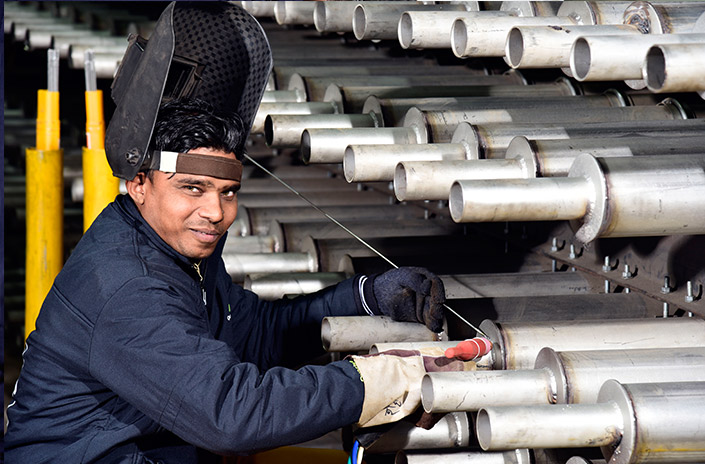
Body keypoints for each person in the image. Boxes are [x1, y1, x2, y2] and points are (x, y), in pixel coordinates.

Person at [5, 93, 447, 462]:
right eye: (192, 188)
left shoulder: (176, 249)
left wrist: (364, 297)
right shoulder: (129, 287)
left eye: (228, 192)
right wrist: (372, 384)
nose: (215, 213)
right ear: (139, 183)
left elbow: (254, 334)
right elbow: (231, 416)